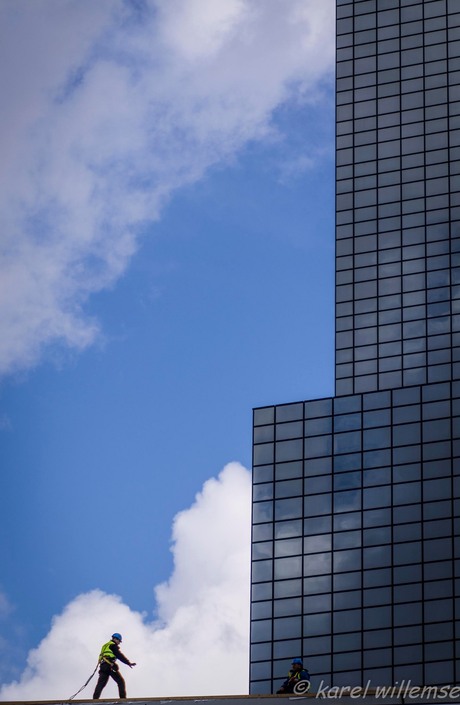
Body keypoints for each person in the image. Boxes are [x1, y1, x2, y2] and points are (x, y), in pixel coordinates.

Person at [93, 632, 136, 700]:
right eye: (119, 641)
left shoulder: (105, 645)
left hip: (103, 666)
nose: (119, 643)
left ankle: (94, 700)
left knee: (101, 684)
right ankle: (123, 699)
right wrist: (128, 663)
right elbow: (119, 655)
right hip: (109, 665)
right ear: (116, 639)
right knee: (120, 681)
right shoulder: (113, 645)